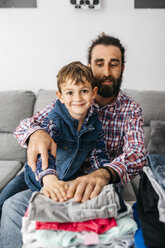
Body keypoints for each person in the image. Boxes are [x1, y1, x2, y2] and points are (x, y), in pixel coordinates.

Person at [0, 33, 147, 248]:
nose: (106, 71)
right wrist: (36, 133)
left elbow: (137, 153)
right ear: (90, 67)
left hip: (96, 178)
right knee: (5, 202)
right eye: (100, 63)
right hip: (49, 170)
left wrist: (103, 173)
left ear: (122, 67)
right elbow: (28, 125)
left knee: (92, 219)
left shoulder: (130, 109)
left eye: (113, 64)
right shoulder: (70, 99)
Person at [24, 61, 111, 201]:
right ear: (60, 97)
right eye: (70, 92)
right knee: (3, 199)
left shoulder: (96, 125)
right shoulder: (54, 120)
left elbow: (98, 156)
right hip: (38, 177)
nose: (78, 98)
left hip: (66, 180)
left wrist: (101, 175)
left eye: (84, 91)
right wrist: (49, 179)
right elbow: (43, 152)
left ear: (93, 93)